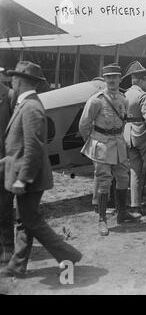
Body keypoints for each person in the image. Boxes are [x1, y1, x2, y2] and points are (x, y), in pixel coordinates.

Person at [0, 61, 82, 278]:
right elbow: (19, 147)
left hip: (31, 177)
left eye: (15, 78)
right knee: (26, 221)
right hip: (28, 174)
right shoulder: (27, 105)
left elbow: (34, 148)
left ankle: (68, 254)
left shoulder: (31, 107)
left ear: (21, 81)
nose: (12, 82)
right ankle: (17, 266)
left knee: (31, 221)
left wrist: (22, 179)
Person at [79, 63, 138, 236]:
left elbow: (123, 121)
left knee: (123, 178)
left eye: (115, 77)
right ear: (104, 79)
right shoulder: (96, 100)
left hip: (119, 143)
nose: (111, 80)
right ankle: (102, 220)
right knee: (104, 181)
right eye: (108, 77)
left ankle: (122, 213)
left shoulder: (123, 99)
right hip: (102, 144)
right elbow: (84, 124)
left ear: (120, 78)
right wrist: (93, 143)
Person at [122, 61, 146, 217]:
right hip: (143, 135)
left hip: (128, 135)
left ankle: (135, 205)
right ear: (142, 81)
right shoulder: (143, 95)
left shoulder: (126, 94)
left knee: (135, 171)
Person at [0, 71, 14, 267]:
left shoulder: (10, 97)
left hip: (5, 161)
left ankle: (8, 247)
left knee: (4, 207)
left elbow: (16, 131)